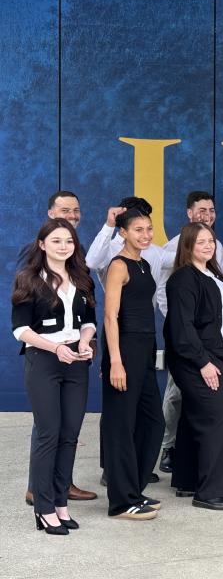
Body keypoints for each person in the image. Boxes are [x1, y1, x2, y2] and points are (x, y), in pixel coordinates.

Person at [12, 219, 96, 534]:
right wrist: (55, 348)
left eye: (69, 241)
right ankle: (44, 508)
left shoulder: (81, 276)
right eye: (56, 241)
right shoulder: (28, 278)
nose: (63, 246)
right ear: (43, 244)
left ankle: (61, 503)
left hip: (76, 361)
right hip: (44, 361)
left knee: (70, 434)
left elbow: (88, 320)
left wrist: (86, 342)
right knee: (48, 434)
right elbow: (20, 330)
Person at [163, 223, 223, 510]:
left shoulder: (212, 273)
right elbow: (182, 328)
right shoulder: (183, 279)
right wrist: (203, 362)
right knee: (216, 421)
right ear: (188, 246)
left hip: (217, 354)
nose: (208, 245)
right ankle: (210, 493)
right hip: (200, 359)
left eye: (211, 240)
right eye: (201, 241)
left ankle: (187, 480)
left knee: (194, 417)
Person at [101, 208, 164, 519]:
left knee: (154, 422)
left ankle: (134, 490)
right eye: (138, 230)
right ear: (123, 232)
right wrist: (115, 361)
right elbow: (110, 316)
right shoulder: (118, 266)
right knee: (121, 426)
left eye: (149, 229)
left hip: (145, 350)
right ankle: (121, 502)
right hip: (123, 349)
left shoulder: (145, 264)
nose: (146, 235)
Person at [157, 190, 223, 475]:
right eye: (201, 210)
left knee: (197, 399)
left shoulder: (215, 245)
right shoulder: (174, 248)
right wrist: (181, 326)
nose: (207, 215)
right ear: (189, 213)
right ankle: (168, 447)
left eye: (211, 210)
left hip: (210, 337)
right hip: (187, 337)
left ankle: (187, 450)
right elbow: (164, 293)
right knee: (176, 394)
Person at [86, 196, 165, 288]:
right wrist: (110, 224)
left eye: (149, 227)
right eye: (138, 228)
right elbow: (91, 262)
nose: (146, 235)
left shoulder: (154, 250)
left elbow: (180, 257)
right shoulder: (109, 250)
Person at [17, 191, 83, 268]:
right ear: (51, 214)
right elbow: (23, 279)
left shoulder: (80, 249)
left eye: (76, 210)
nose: (73, 215)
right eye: (65, 210)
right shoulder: (32, 249)